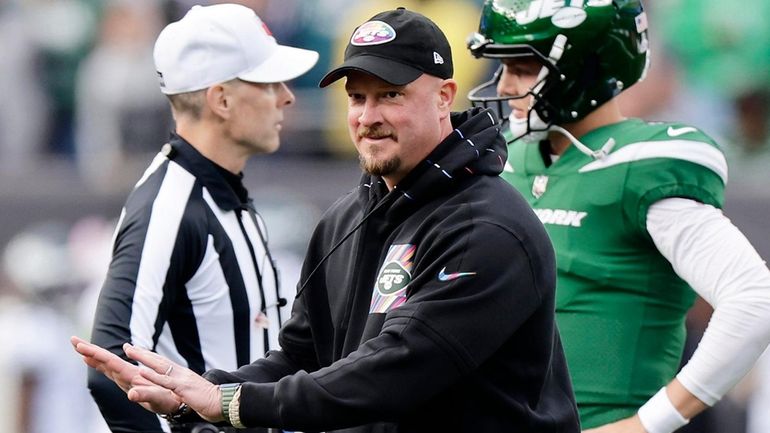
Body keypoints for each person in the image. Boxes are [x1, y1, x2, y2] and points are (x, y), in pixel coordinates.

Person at [73, 8, 581, 433]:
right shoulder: (345, 218)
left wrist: (226, 402)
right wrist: (202, 395)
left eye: (391, 95)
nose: (368, 115)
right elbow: (302, 354)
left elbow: (396, 371)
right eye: (357, 97)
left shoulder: (488, 227)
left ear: (445, 96)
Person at [466, 1, 770, 432]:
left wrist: (648, 424)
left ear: (584, 68)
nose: (504, 84)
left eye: (523, 67)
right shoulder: (505, 157)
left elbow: (754, 299)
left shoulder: (642, 164)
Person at [85, 3, 318, 432]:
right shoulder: (169, 208)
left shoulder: (220, 193)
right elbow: (112, 367)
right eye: (269, 83)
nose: (287, 96)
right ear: (222, 99)